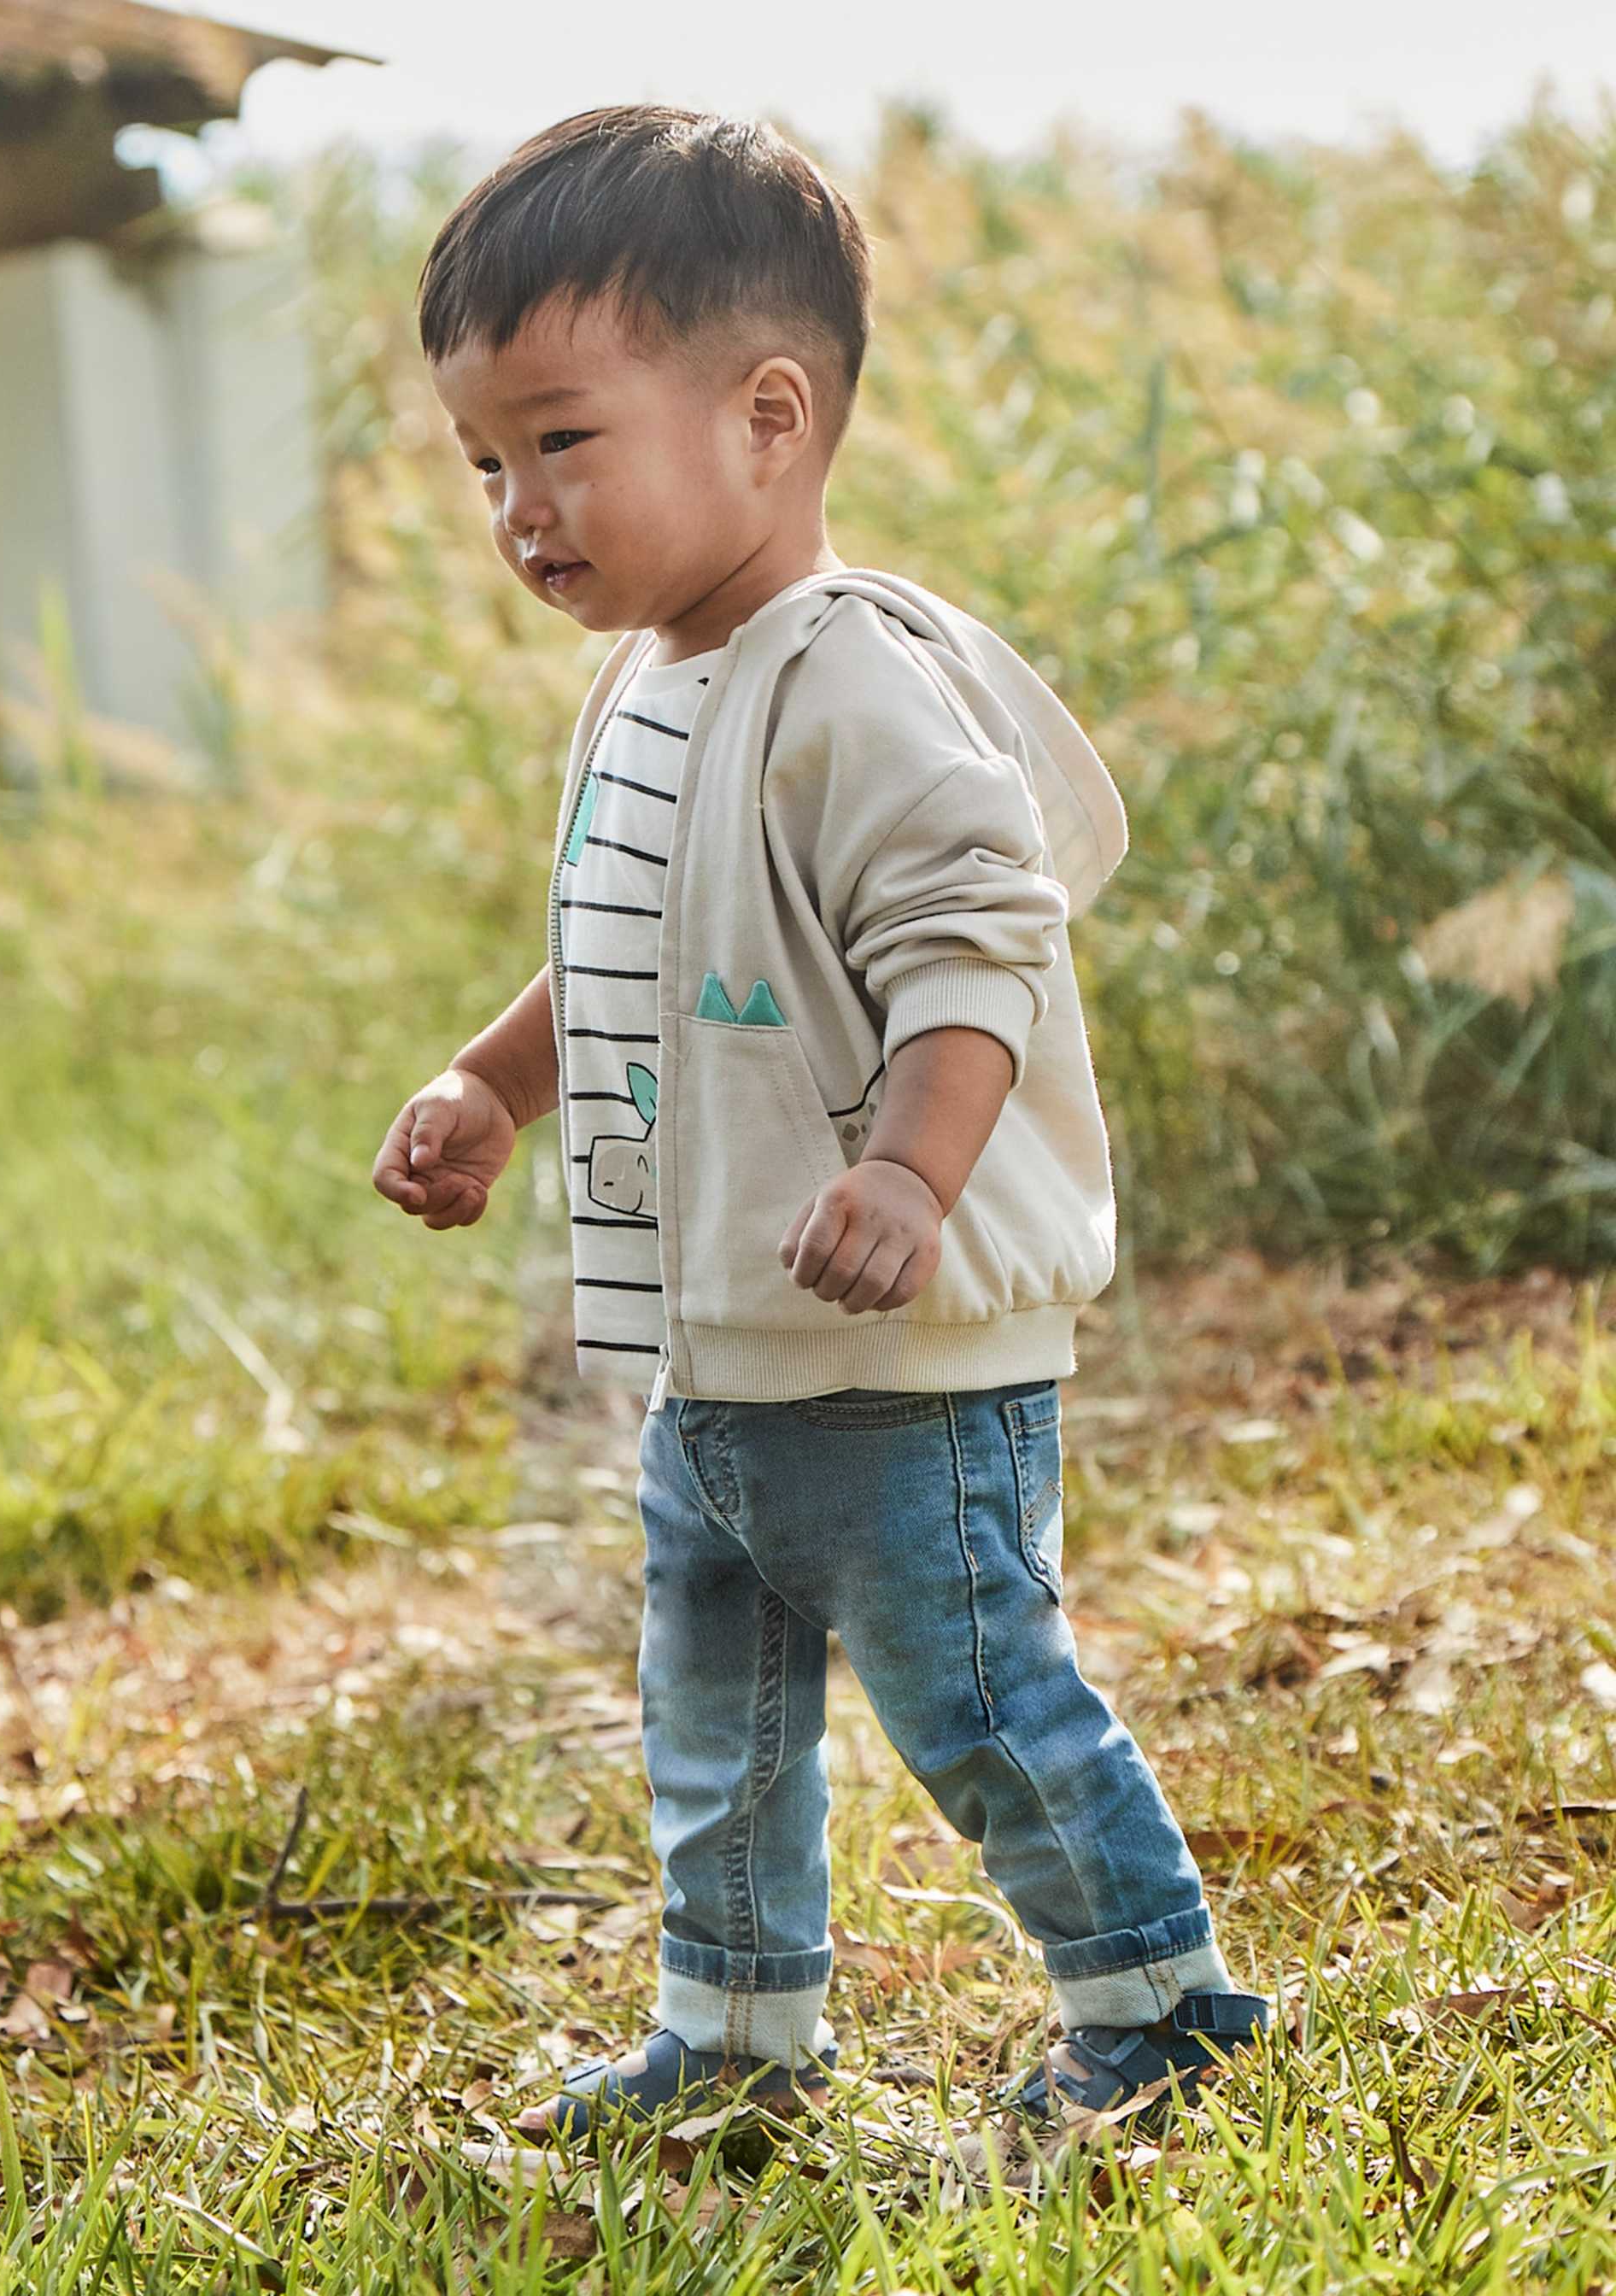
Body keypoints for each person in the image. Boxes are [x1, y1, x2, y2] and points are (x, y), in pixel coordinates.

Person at [372, 102, 1269, 2141]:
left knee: (973, 1699)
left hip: (893, 1361)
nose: (520, 506)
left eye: (563, 438)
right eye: (484, 461)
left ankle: (1161, 2007)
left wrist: (910, 1172)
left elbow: (983, 945)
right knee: (720, 1714)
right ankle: (740, 2034)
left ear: (769, 416)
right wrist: (486, 1084)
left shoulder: (857, 684)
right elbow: (630, 949)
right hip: (717, 1359)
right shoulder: (650, 685)